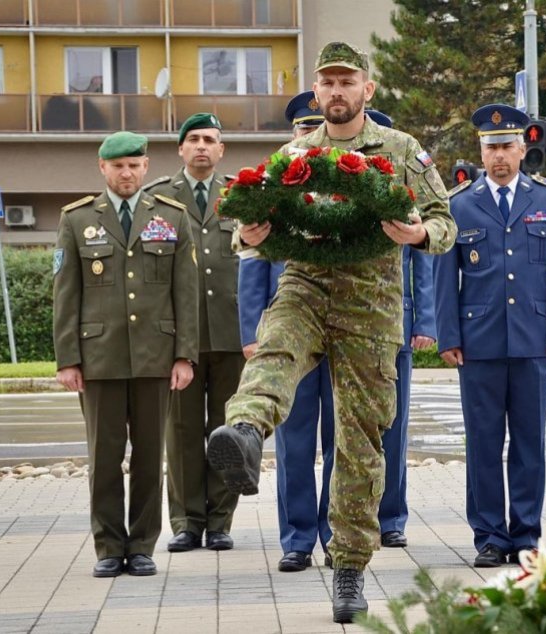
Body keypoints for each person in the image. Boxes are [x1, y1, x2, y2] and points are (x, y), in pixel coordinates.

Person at [207, 42, 456, 623]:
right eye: (327, 82)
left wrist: (417, 235)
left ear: (367, 90)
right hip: (306, 282)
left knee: (361, 441)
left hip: (371, 303)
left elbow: (445, 221)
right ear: (316, 92)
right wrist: (253, 230)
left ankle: (348, 567)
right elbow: (246, 231)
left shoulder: (400, 150)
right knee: (276, 347)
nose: (337, 91)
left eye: (347, 81)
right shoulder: (293, 155)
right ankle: (244, 432)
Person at [52, 131, 199, 577]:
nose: (127, 173)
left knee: (151, 454)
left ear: (146, 166)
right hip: (99, 358)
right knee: (104, 457)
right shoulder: (77, 220)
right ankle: (108, 547)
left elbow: (185, 292)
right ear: (103, 168)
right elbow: (65, 293)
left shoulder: (171, 217)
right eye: (118, 166)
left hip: (156, 356)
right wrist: (67, 358)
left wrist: (184, 355)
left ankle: (141, 546)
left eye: (134, 164)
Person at [433, 104, 546, 568]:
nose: (499, 156)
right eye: (491, 148)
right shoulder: (458, 204)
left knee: (529, 443)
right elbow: (444, 279)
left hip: (533, 338)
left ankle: (525, 535)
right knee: (483, 442)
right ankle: (489, 536)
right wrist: (448, 334)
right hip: (479, 340)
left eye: (507, 146)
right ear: (480, 153)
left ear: (523, 148)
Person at [238, 92, 336, 573]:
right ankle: (297, 539)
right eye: (303, 128)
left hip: (342, 331)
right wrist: (254, 333)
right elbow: (253, 262)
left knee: (343, 441)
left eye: (317, 127)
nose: (310, 137)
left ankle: (338, 536)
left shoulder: (350, 182)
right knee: (295, 441)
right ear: (294, 134)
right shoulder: (272, 184)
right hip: (289, 334)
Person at [146, 113, 244, 554]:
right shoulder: (158, 200)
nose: (202, 146)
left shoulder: (243, 196)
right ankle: (186, 521)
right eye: (194, 139)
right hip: (178, 339)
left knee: (226, 431)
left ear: (221, 150)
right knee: (182, 432)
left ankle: (220, 520)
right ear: (180, 149)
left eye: (210, 139)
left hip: (232, 332)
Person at [365, 109, 438, 550]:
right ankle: (352, 516)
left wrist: (424, 322)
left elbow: (422, 264)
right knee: (350, 432)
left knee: (394, 426)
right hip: (349, 326)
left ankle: (390, 518)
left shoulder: (403, 198)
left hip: (397, 324)